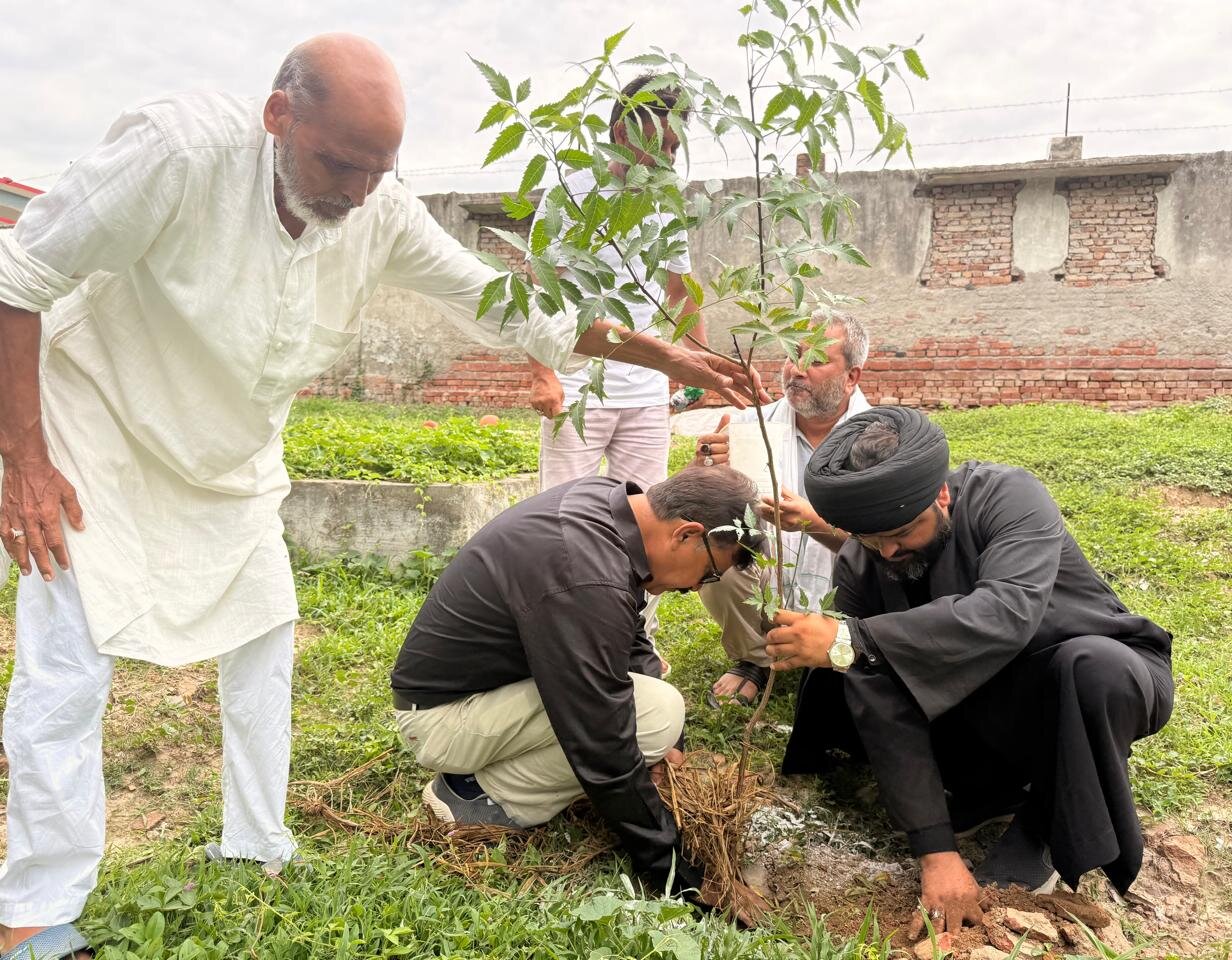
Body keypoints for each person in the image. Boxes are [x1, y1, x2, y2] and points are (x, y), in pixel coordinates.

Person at [0, 35, 758, 960]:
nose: (358, 192)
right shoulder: (180, 153)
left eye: (378, 170)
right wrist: (25, 462)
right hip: (97, 429)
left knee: (264, 640)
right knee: (68, 667)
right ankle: (36, 907)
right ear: (278, 116)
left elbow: (513, 306)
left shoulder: (377, 207)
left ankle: (256, 841)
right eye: (341, 163)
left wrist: (662, 352)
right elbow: (19, 276)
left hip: (230, 451)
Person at [765, 406, 1174, 938]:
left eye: (901, 532)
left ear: (940, 495)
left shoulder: (1007, 497)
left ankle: (1043, 830)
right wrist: (935, 850)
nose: (886, 551)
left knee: (1095, 666)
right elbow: (881, 694)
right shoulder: (862, 565)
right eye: (868, 538)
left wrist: (852, 638)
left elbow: (1008, 613)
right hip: (987, 703)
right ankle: (991, 793)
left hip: (1085, 679)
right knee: (857, 677)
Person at [390, 467, 767, 924]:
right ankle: (479, 794)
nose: (694, 588)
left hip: (480, 692)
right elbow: (601, 739)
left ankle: (495, 772)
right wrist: (676, 874)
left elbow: (626, 635)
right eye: (709, 574)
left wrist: (671, 750)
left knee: (656, 716)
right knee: (654, 714)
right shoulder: (583, 572)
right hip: (444, 720)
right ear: (687, 534)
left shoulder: (610, 505)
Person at [528, 74, 706, 651]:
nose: (668, 159)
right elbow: (538, 289)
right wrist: (543, 372)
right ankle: (564, 640)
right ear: (623, 128)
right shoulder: (570, 190)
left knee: (650, 521)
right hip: (579, 386)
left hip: (645, 392)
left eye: (677, 149)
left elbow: (680, 291)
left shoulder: (666, 201)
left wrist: (696, 367)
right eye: (662, 145)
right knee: (565, 522)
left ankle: (636, 643)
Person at [693, 310, 871, 707]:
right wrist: (704, 467)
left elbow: (889, 545)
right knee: (712, 544)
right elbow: (699, 511)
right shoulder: (751, 428)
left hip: (846, 603)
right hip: (767, 595)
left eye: (817, 360)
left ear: (852, 377)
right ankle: (754, 657)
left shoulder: (881, 438)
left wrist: (813, 523)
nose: (797, 370)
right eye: (793, 354)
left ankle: (840, 645)